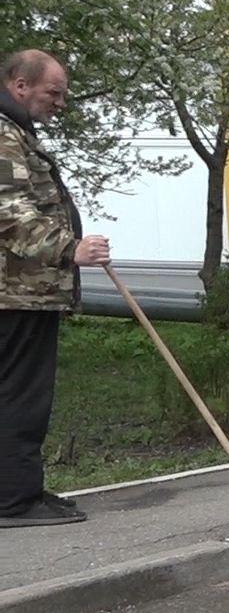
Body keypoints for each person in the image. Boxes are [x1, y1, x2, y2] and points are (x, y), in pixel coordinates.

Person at [1, 50, 111, 528]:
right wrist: (71, 249)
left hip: (25, 291)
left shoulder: (16, 132)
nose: (60, 102)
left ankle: (21, 490)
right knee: (19, 396)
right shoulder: (3, 136)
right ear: (20, 85)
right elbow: (8, 212)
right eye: (54, 92)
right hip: (14, 293)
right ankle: (13, 502)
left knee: (21, 394)